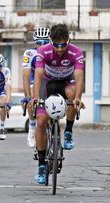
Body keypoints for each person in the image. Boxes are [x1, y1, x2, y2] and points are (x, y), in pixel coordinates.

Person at [33, 24, 85, 184]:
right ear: (51, 41)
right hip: (47, 84)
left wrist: (77, 98)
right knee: (41, 122)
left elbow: (79, 76)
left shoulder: (76, 52)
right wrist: (35, 98)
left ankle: (68, 131)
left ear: (69, 41)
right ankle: (42, 165)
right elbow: (39, 75)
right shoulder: (44, 51)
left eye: (64, 44)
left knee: (72, 94)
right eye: (57, 45)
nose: (60, 49)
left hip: (66, 83)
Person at [21, 27, 51, 149]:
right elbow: (26, 77)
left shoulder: (54, 51)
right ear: (35, 43)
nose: (42, 46)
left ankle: (55, 139)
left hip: (50, 80)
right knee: (33, 95)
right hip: (35, 79)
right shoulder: (29, 54)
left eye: (46, 43)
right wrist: (27, 97)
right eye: (39, 43)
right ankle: (32, 127)